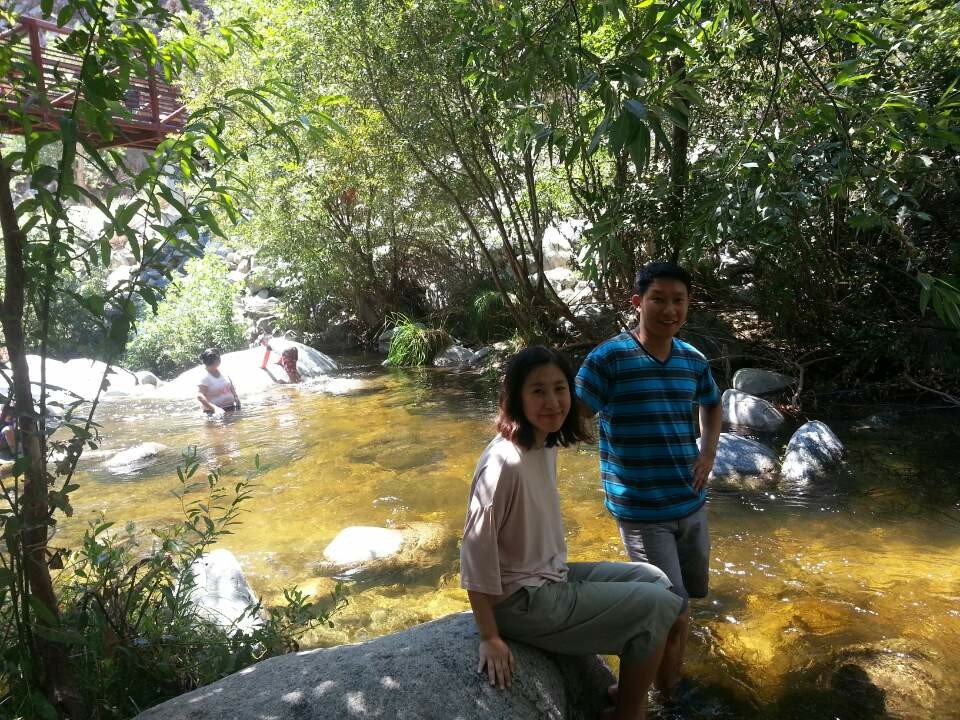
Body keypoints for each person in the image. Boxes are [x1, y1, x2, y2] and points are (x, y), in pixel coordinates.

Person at [460, 346, 687, 720]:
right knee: (657, 606)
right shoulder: (504, 464)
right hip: (519, 601)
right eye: (538, 391)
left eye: (559, 388)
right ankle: (629, 714)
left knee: (659, 583)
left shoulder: (543, 442)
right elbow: (473, 553)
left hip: (548, 576)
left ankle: (638, 691)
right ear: (515, 397)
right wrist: (489, 636)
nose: (552, 402)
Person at [575, 261, 722, 698]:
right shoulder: (609, 359)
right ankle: (649, 698)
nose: (670, 310)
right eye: (659, 299)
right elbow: (571, 412)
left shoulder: (692, 359)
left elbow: (712, 403)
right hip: (642, 510)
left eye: (679, 301)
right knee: (670, 611)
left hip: (690, 501)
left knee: (684, 606)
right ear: (638, 302)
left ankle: (666, 690)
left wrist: (708, 453)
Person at [197, 348, 241, 416]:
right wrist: (215, 409)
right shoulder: (204, 377)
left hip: (230, 408)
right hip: (214, 412)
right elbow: (200, 396)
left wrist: (236, 397)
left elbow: (231, 386)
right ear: (216, 360)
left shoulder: (223, 372)